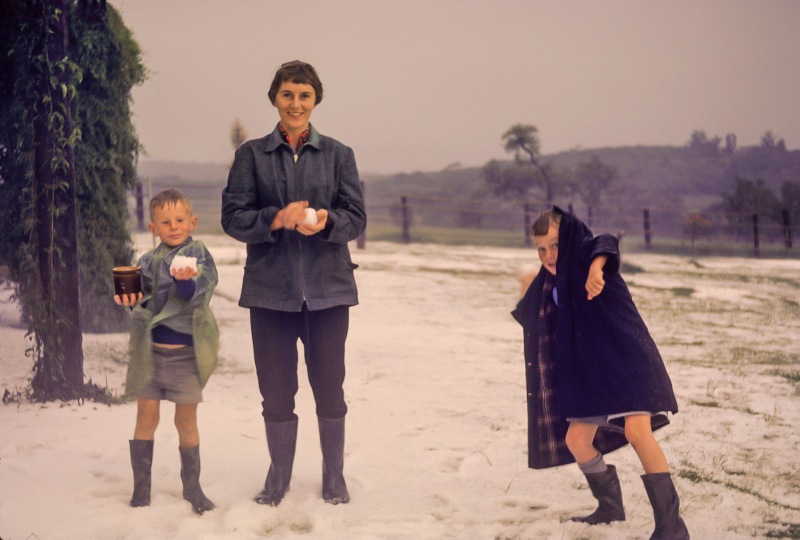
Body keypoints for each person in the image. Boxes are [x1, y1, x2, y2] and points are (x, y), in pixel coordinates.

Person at [221, 60, 366, 506]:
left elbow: (356, 218)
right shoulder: (251, 155)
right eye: (288, 95)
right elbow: (232, 217)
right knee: (277, 392)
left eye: (304, 95)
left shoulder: (340, 154)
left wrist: (325, 222)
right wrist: (275, 219)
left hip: (329, 293)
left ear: (315, 100)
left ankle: (334, 477)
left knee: (329, 387)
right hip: (270, 294)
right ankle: (277, 479)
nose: (296, 103)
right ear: (275, 99)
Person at [512, 207, 689, 539]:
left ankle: (672, 527)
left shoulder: (586, 258)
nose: (548, 255)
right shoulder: (554, 282)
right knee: (577, 440)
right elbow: (533, 320)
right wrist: (526, 286)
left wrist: (595, 268)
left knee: (638, 433)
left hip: (626, 361)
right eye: (541, 248)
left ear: (570, 239)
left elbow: (604, 243)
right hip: (592, 375)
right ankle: (610, 507)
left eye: (554, 245)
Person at [116, 188, 219, 515]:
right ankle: (141, 489)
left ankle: (193, 488)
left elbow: (197, 292)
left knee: (185, 421)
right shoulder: (146, 262)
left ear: (193, 221)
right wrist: (129, 301)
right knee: (146, 417)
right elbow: (143, 303)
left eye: (179, 220)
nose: (173, 226)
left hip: (186, 358)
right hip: (150, 356)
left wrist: (186, 281)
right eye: (165, 221)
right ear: (153, 228)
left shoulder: (198, 255)